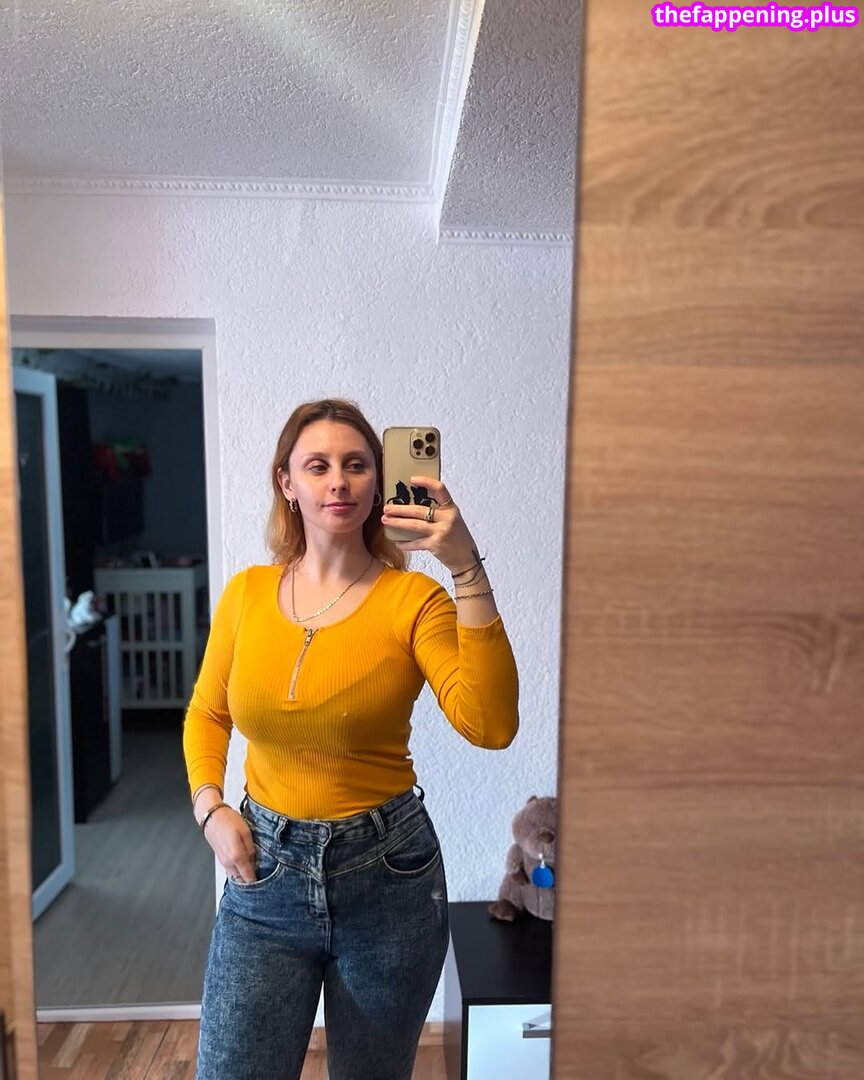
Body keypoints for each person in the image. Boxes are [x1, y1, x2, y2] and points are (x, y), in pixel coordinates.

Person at [183, 398, 519, 1080]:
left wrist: (465, 568)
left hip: (388, 879)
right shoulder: (247, 594)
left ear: (378, 481)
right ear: (287, 483)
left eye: (357, 464)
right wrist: (210, 808)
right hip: (264, 873)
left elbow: (491, 725)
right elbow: (207, 714)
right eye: (318, 465)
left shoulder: (413, 601)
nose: (338, 480)